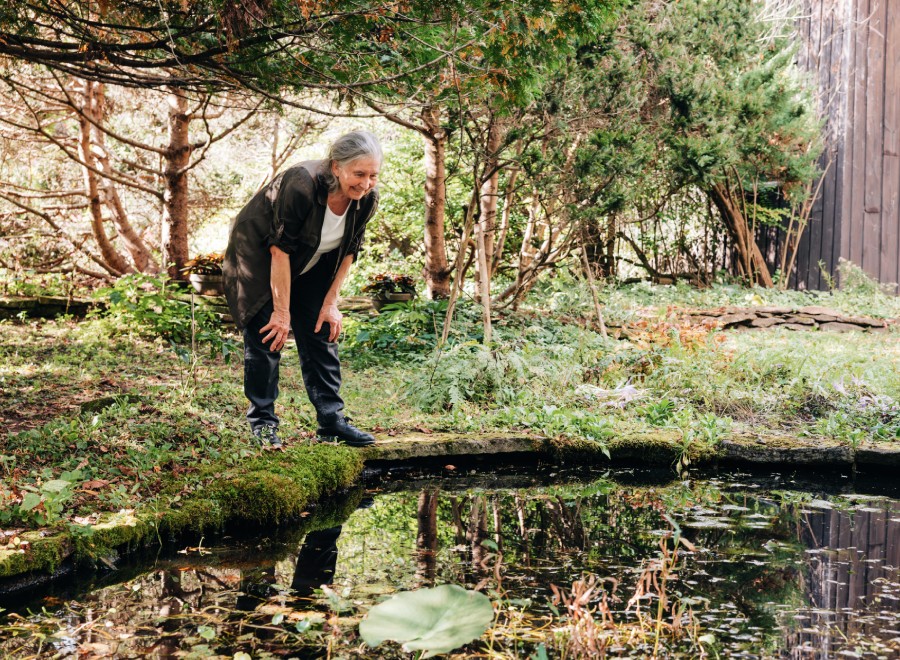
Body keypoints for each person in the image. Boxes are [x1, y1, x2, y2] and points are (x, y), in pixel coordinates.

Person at [223, 131, 381, 449]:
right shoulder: (302, 184)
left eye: (373, 175)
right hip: (259, 256)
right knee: (269, 334)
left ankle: (332, 422)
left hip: (312, 261)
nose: (366, 184)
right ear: (337, 167)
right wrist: (282, 312)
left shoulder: (366, 201)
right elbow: (279, 251)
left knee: (321, 331)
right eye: (359, 174)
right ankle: (263, 424)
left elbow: (350, 250)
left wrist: (330, 302)